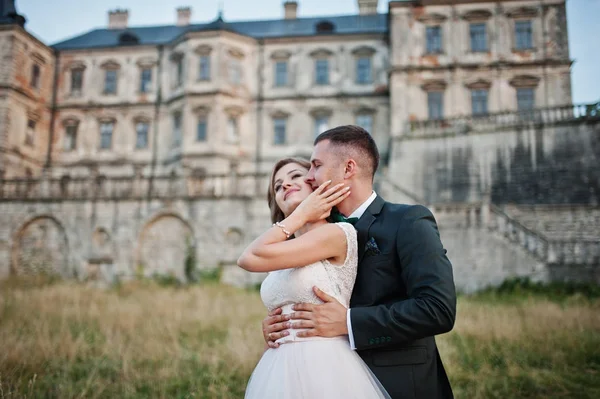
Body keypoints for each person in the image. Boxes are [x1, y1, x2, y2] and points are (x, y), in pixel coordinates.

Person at [261, 126, 457, 398]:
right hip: (321, 380)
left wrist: (350, 322)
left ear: (348, 168)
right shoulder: (314, 235)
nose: (309, 176)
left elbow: (438, 309)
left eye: (316, 166)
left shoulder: (408, 221)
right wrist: (282, 322)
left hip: (399, 382)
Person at [238, 157, 390, 398]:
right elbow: (252, 258)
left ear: (316, 186)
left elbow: (247, 258)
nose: (285, 185)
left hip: (324, 364)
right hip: (278, 366)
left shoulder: (335, 233)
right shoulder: (282, 251)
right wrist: (272, 329)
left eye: (295, 176)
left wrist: (302, 215)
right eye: (277, 186)